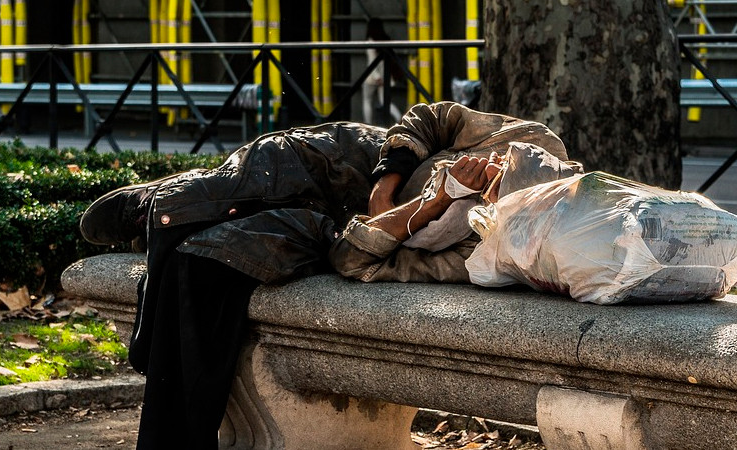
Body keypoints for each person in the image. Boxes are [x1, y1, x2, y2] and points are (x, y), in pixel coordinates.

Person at [79, 101, 568, 448]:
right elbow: (431, 117)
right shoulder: (535, 141)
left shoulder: (477, 255)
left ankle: (169, 219)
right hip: (342, 163)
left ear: (507, 215)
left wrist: (435, 201)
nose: (490, 169)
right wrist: (386, 187)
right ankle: (159, 205)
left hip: (328, 229)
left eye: (495, 183)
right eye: (498, 162)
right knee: (231, 188)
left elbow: (353, 261)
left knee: (205, 262)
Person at [362, 18, 403, 125]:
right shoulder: (385, 39)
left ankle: (368, 125)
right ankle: (399, 119)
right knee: (385, 102)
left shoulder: (370, 40)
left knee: (367, 100)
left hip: (372, 76)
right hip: (385, 75)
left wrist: (376, 77)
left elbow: (371, 61)